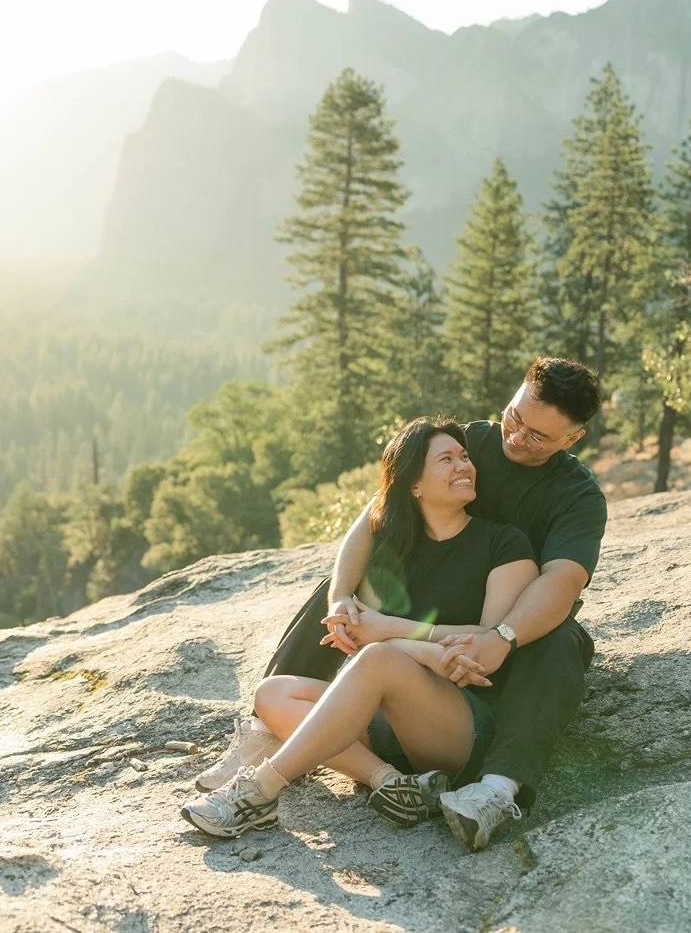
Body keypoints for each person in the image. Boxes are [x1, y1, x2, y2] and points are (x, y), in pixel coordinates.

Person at [193, 357, 606, 851]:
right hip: (429, 637)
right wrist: (342, 599)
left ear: (573, 437)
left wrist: (500, 637)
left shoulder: (573, 498)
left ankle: (499, 785)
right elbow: (375, 515)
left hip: (503, 636)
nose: (516, 438)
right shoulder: (472, 440)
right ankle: (345, 763)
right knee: (338, 600)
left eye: (537, 437)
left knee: (559, 637)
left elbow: (561, 581)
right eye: (514, 418)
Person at [181, 416, 538, 838]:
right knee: (272, 693)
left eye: (464, 457)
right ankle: (393, 783)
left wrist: (388, 632)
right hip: (387, 725)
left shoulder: (505, 543)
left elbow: (488, 642)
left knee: (379, 657)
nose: (464, 466)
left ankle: (258, 792)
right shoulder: (394, 549)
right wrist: (360, 617)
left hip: (459, 725)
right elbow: (361, 545)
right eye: (446, 460)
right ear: (414, 485)